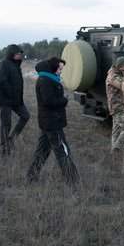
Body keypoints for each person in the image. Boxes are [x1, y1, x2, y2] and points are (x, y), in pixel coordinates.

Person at [27, 57, 79, 185]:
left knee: (42, 151)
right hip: (52, 122)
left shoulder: (49, 79)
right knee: (63, 151)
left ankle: (31, 177)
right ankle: (73, 181)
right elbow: (48, 101)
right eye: (60, 68)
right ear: (53, 68)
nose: (61, 71)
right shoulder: (46, 81)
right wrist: (64, 100)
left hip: (48, 122)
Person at [0, 44, 30, 154]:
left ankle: (11, 139)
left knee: (25, 116)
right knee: (6, 124)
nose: (20, 56)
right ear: (11, 54)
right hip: (6, 100)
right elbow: (1, 81)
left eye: (20, 54)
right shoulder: (4, 64)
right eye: (17, 54)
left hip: (17, 100)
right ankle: (5, 148)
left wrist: (17, 96)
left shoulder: (16, 65)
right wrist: (10, 93)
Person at [105, 56, 124, 166]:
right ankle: (117, 148)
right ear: (120, 66)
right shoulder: (113, 76)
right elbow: (123, 86)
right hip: (118, 107)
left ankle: (114, 156)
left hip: (117, 106)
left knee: (116, 131)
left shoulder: (116, 73)